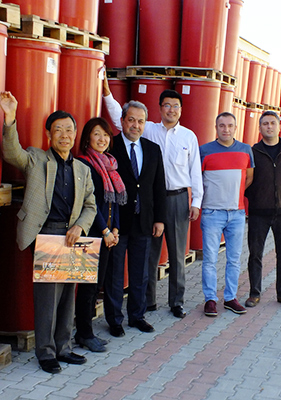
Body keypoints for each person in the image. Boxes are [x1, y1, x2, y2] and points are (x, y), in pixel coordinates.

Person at [0, 91, 97, 374]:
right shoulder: (36, 158)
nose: (64, 135)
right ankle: (46, 352)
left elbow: (91, 204)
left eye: (69, 129)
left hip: (73, 237)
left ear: (76, 134)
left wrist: (81, 226)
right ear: (49, 135)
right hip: (47, 235)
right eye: (58, 130)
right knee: (47, 298)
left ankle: (64, 348)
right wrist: (10, 118)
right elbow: (11, 152)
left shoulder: (82, 169)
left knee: (68, 296)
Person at [103, 81, 203, 319]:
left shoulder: (189, 137)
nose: (171, 110)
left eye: (175, 106)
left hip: (178, 198)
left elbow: (195, 170)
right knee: (149, 254)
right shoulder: (147, 129)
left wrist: (196, 201)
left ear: (181, 110)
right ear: (159, 108)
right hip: (149, 202)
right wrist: (107, 93)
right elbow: (120, 118)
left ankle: (176, 302)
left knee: (178, 254)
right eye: (166, 105)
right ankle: (148, 302)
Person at [104, 100, 167, 336]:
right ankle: (114, 320)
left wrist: (159, 219)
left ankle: (137, 316)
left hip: (144, 221)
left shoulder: (152, 149)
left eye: (140, 121)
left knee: (141, 273)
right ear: (122, 121)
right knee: (115, 274)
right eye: (131, 120)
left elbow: (158, 186)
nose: (135, 125)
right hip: (118, 223)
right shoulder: (111, 147)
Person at [74, 117, 125, 351]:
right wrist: (105, 230)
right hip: (92, 234)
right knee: (87, 286)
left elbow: (115, 201)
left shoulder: (110, 164)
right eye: (97, 134)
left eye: (105, 134)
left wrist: (115, 229)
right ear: (87, 138)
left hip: (107, 235)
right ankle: (84, 334)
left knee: (97, 286)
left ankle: (88, 332)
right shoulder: (84, 164)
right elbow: (89, 202)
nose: (102, 139)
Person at [245, 110, 281, 309]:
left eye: (272, 123)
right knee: (255, 254)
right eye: (265, 124)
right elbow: (247, 180)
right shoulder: (253, 152)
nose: (269, 127)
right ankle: (254, 293)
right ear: (259, 128)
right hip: (258, 212)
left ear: (279, 126)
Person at [199, 112, 254, 317]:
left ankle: (230, 298)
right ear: (216, 127)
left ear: (235, 128)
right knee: (210, 259)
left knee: (234, 259)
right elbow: (198, 180)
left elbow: (248, 178)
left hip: (237, 213)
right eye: (222, 125)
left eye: (230, 125)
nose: (226, 129)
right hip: (212, 213)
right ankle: (210, 299)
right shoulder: (204, 151)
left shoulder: (246, 150)